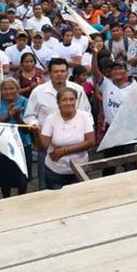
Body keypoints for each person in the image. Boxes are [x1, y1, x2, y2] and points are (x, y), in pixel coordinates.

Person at [23, 58, 91, 190]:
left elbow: (86, 113)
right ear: (49, 73)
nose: (59, 74)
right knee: (46, 187)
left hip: (77, 145)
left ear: (67, 72)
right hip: (48, 145)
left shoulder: (78, 89)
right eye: (56, 71)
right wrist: (37, 127)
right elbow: (29, 116)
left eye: (62, 71)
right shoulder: (38, 92)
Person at [34, 87, 96, 190]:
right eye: (64, 100)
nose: (68, 103)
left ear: (76, 101)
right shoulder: (51, 119)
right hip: (55, 171)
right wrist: (36, 133)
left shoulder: (84, 116)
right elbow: (43, 147)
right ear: (58, 103)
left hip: (79, 169)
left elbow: (90, 142)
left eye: (71, 99)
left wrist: (63, 151)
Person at [0, 78, 35, 198]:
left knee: (22, 178)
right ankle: (6, 200)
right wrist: (8, 115)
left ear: (18, 89)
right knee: (4, 180)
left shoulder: (25, 102)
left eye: (11, 88)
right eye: (4, 89)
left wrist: (17, 118)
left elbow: (28, 129)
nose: (8, 92)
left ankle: (22, 200)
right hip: (2, 147)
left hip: (22, 145)